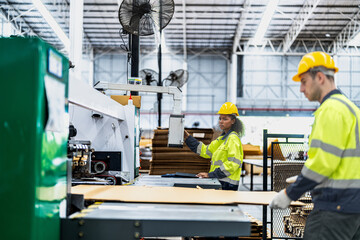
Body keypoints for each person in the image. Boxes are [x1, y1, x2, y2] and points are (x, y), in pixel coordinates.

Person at [269, 51, 360, 240]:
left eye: (303, 81)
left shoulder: (330, 110)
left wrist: (289, 194)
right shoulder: (351, 109)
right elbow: (343, 160)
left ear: (319, 77)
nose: (301, 89)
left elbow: (323, 163)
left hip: (334, 207)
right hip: (353, 208)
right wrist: (304, 177)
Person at [184, 102, 244, 191]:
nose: (221, 121)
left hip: (227, 185)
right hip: (219, 181)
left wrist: (210, 175)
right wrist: (188, 138)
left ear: (233, 121)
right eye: (220, 118)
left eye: (225, 119)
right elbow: (204, 151)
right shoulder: (221, 140)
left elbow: (232, 164)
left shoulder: (233, 139)